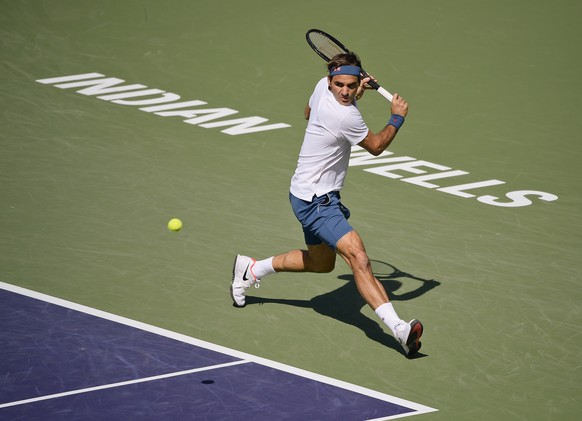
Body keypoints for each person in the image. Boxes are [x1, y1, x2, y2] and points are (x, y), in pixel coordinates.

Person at [231, 52, 423, 357]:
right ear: (331, 79)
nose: (344, 91)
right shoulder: (346, 116)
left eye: (350, 85)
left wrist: (357, 93)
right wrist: (397, 116)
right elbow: (375, 146)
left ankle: (252, 269)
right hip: (316, 202)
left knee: (322, 264)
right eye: (339, 85)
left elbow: (309, 113)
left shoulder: (322, 86)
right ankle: (399, 328)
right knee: (357, 256)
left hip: (303, 193)